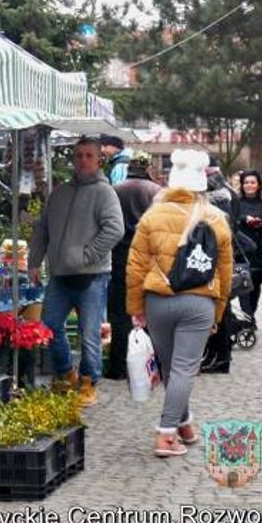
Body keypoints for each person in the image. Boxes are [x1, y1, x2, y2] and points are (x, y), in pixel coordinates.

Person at [126, 149, 233, 458]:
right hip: (199, 302)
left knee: (172, 368)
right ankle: (166, 434)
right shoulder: (216, 219)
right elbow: (224, 275)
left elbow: (135, 268)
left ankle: (183, 423)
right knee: (184, 369)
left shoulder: (152, 217)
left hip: (159, 300)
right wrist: (219, 312)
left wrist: (136, 308)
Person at [28, 137, 124, 406]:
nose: (83, 160)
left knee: (90, 333)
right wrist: (34, 262)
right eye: (79, 155)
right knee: (48, 326)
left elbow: (115, 229)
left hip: (92, 275)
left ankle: (88, 381)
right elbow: (42, 230)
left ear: (98, 159)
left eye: (88, 155)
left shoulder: (105, 193)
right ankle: (66, 373)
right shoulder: (59, 193)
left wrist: (87, 255)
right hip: (59, 276)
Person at [106, 151, 162, 380]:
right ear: (148, 167)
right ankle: (148, 364)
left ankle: (118, 366)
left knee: (119, 312)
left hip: (120, 255)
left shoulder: (115, 190)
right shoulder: (157, 192)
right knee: (149, 310)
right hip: (147, 257)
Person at [200, 157, 242, 374]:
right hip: (221, 254)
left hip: (216, 256)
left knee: (220, 308)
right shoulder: (225, 190)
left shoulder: (217, 194)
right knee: (220, 306)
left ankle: (220, 356)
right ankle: (217, 354)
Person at [236, 170, 262, 320]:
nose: (249, 185)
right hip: (240, 247)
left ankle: (251, 313)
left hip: (260, 248)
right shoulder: (236, 202)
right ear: (242, 185)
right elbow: (230, 218)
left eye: (252, 182)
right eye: (246, 182)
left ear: (258, 185)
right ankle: (247, 316)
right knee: (242, 282)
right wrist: (244, 219)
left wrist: (259, 223)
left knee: (255, 283)